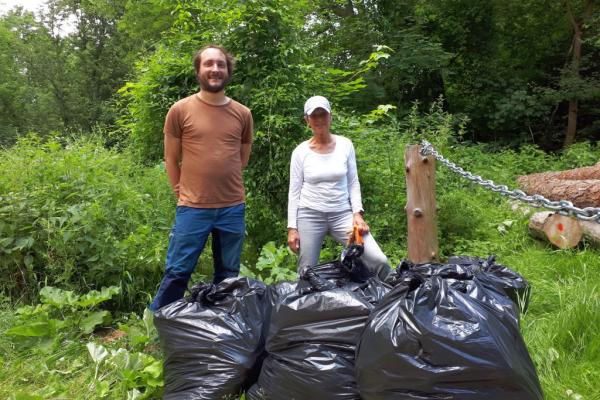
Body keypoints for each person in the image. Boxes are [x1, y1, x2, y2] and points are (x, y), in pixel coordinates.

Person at [149, 45, 253, 311]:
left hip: (232, 207)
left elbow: (242, 159)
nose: (215, 69)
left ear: (228, 70)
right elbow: (171, 159)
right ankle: (159, 323)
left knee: (228, 273)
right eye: (208, 64)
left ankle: (222, 323)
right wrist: (180, 192)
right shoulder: (180, 110)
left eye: (220, 64)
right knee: (178, 271)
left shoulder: (243, 114)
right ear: (198, 70)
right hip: (193, 207)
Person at [287, 95, 390, 279]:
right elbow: (294, 192)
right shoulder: (300, 152)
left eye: (323, 114)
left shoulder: (345, 145)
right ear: (307, 120)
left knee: (378, 260)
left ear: (330, 117)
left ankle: (391, 299)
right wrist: (292, 229)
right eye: (314, 116)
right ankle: (306, 306)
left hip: (342, 213)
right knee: (306, 272)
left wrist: (357, 214)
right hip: (310, 214)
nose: (319, 120)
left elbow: (353, 182)